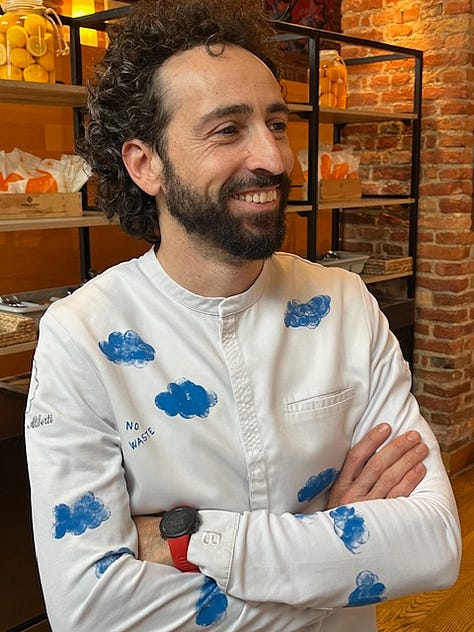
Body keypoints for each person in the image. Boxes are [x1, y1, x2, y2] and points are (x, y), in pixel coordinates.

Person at [25, 0, 461, 630]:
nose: (276, 159)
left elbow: (434, 544)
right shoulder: (80, 339)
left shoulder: (346, 306)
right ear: (145, 164)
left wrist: (188, 542)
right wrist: (327, 540)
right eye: (228, 130)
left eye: (277, 124)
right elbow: (91, 611)